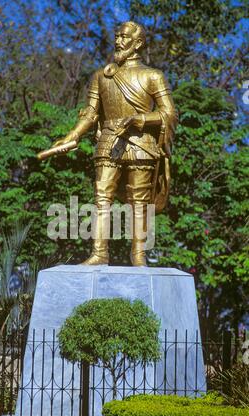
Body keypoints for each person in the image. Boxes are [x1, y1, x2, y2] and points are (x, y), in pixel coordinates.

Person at [52, 21, 177, 266]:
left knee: (139, 201)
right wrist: (73, 135)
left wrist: (140, 119)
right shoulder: (101, 76)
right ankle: (99, 253)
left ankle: (139, 256)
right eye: (117, 36)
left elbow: (169, 113)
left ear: (138, 43)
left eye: (124, 37)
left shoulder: (153, 76)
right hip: (108, 140)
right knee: (101, 197)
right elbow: (90, 112)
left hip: (143, 144)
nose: (118, 41)